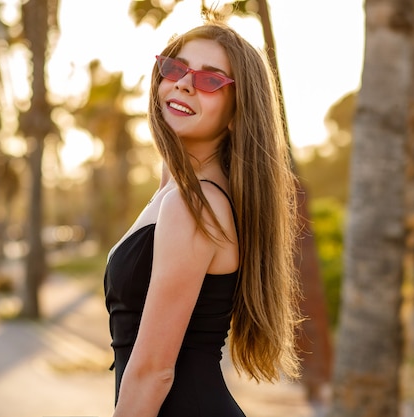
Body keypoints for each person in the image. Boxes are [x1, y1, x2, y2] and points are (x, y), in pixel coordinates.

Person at [104, 21, 302, 417]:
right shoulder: (178, 192)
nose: (183, 84)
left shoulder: (193, 206)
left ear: (236, 113)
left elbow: (153, 372)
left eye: (210, 80)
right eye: (175, 69)